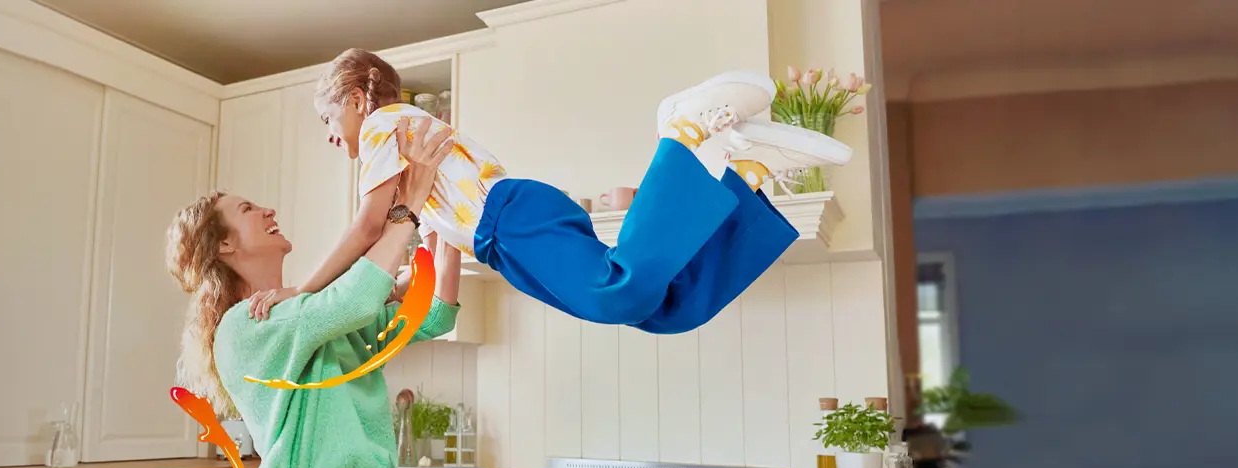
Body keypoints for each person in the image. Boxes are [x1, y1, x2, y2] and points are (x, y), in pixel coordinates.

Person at [246, 48, 851, 333]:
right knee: (663, 308)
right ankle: (742, 179)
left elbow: (368, 228)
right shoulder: (411, 157)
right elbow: (431, 255)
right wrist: (393, 289)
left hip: (509, 218)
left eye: (328, 122)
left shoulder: (383, 126)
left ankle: (685, 133)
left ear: (356, 101)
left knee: (616, 295)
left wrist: (300, 291)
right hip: (504, 236)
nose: (332, 138)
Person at [164, 121, 465, 468]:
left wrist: (446, 219)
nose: (267, 210)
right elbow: (356, 299)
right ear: (223, 243)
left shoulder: (312, 319)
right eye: (248, 209)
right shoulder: (243, 326)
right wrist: (410, 204)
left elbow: (432, 313)